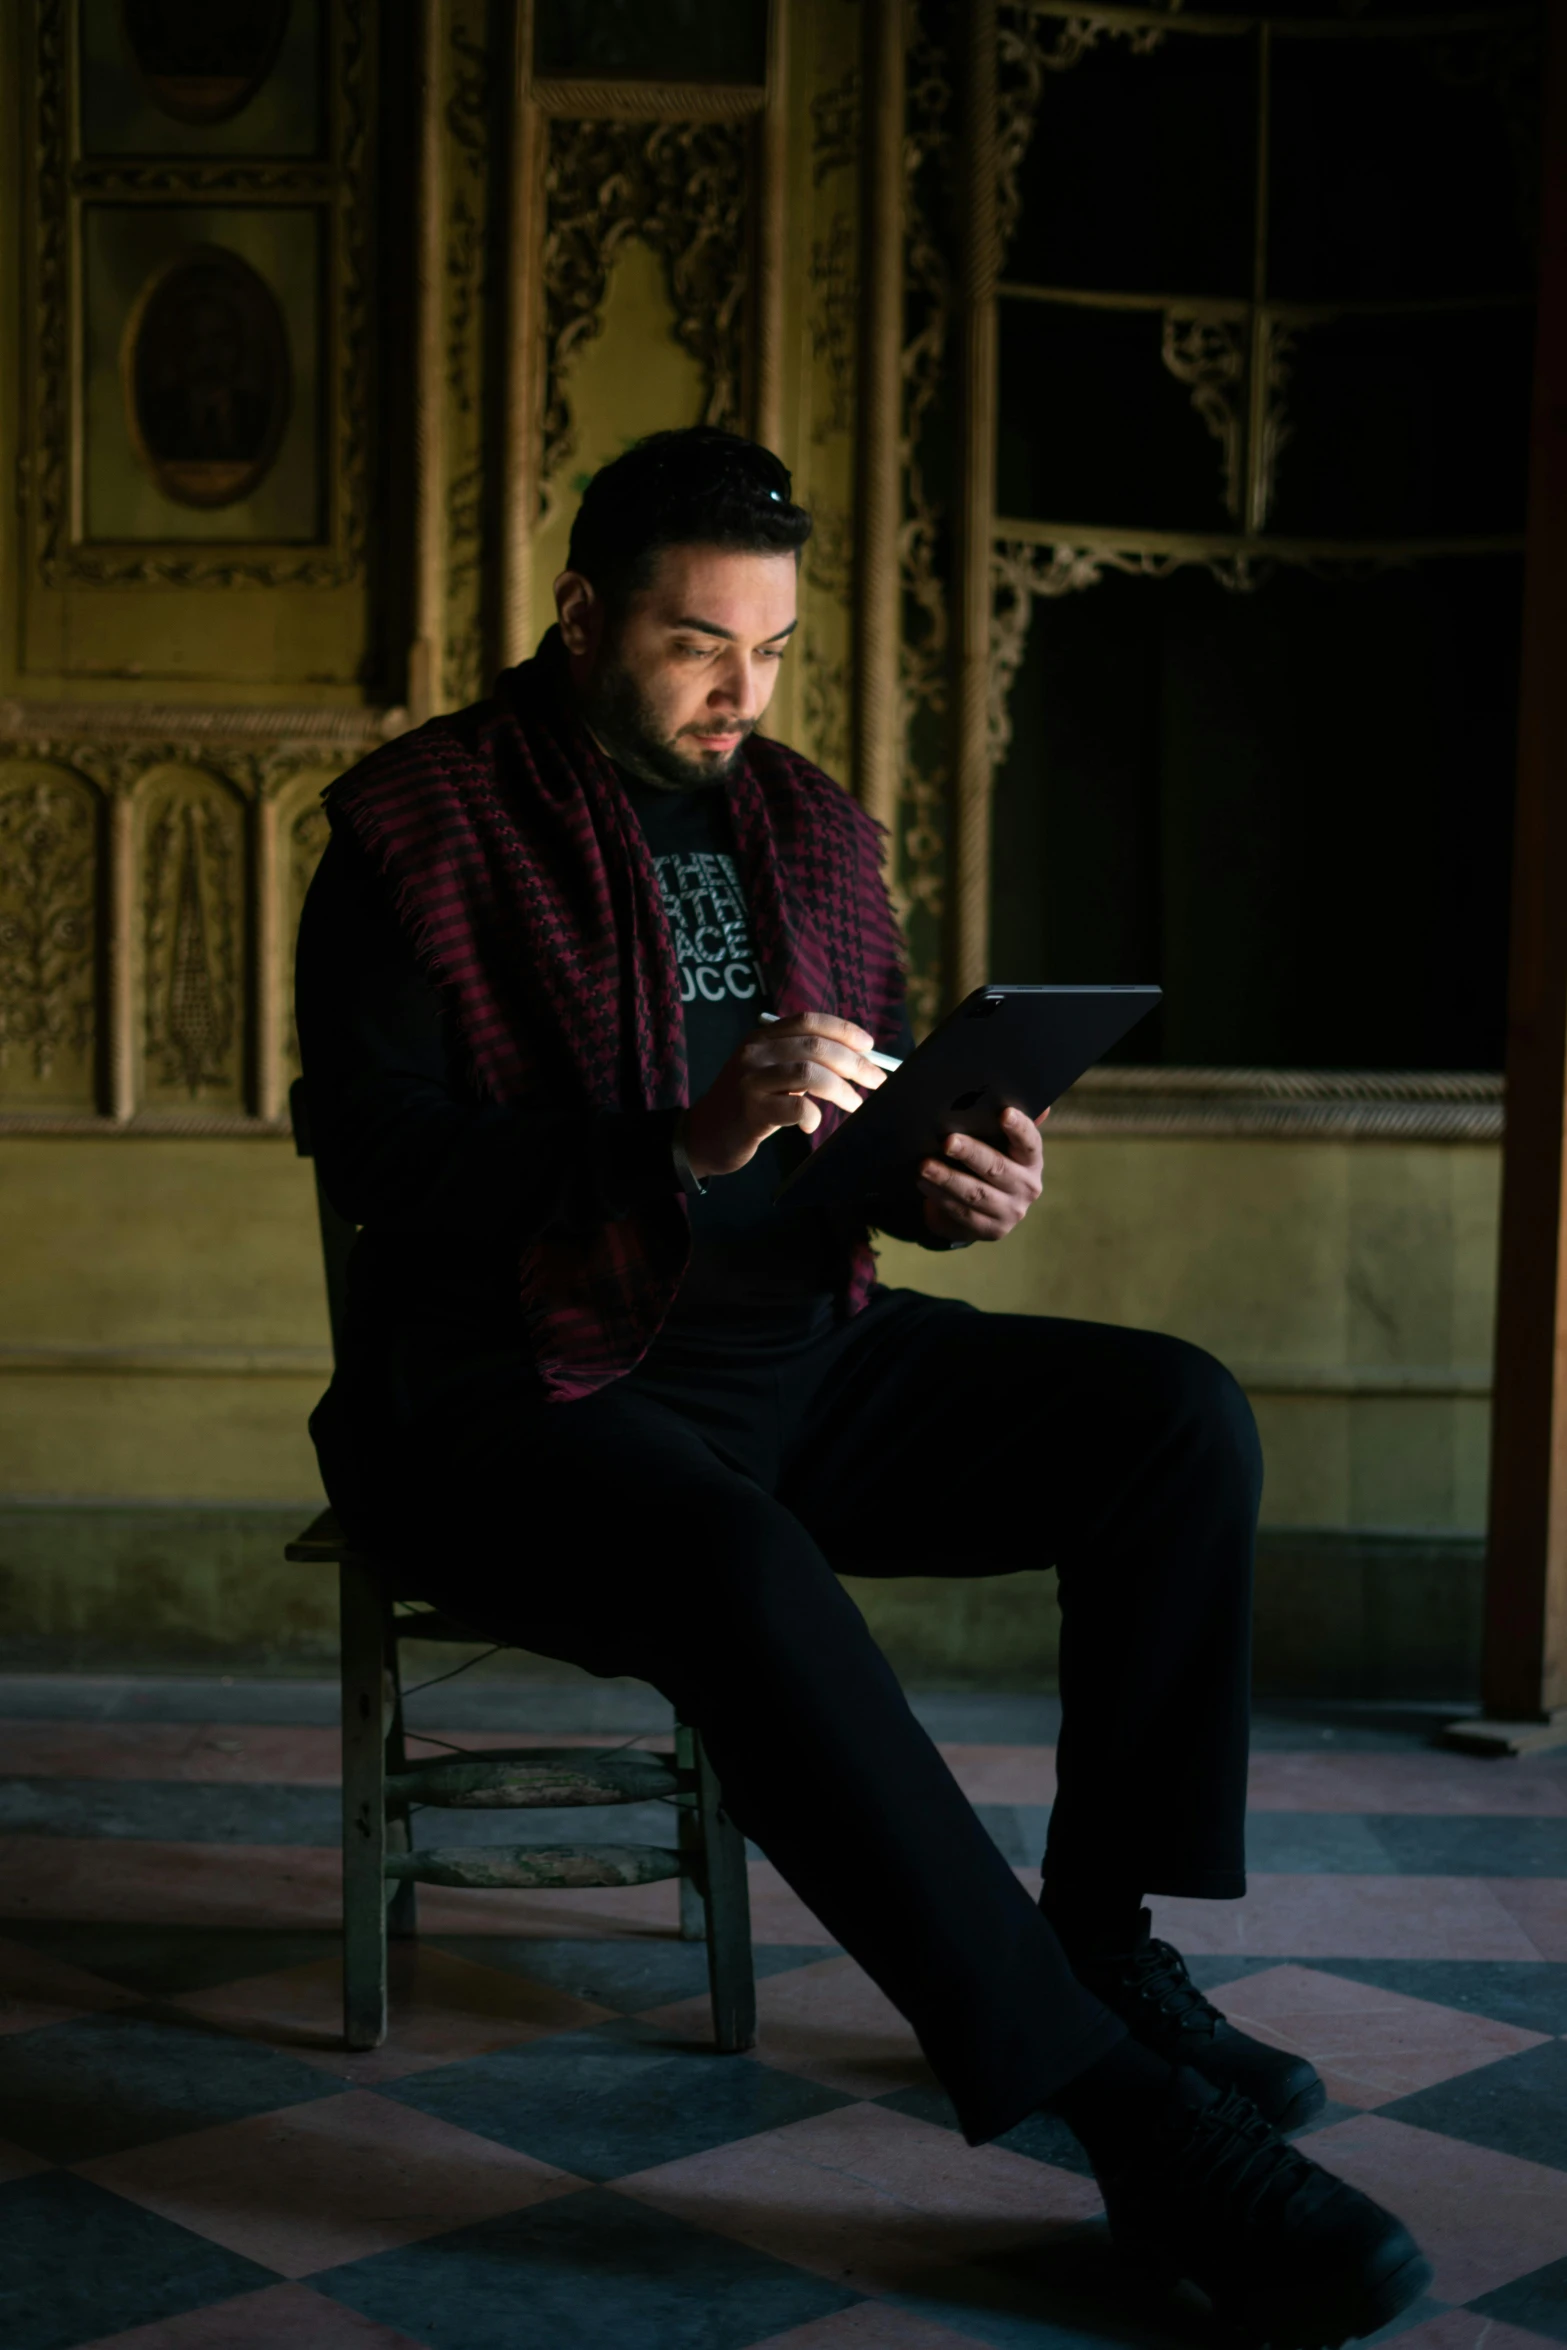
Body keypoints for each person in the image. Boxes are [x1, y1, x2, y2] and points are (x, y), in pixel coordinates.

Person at [296, 425, 1429, 2344]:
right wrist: (673, 1142)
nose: (740, 690)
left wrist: (952, 1180)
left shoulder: (814, 826)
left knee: (1172, 1417)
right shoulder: (414, 827)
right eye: (692, 643)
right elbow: (383, 1160)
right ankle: (1120, 2115)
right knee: (735, 1570)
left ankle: (1103, 1943)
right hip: (529, 1395)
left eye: (770, 648)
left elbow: (864, 1131)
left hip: (806, 1355)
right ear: (583, 615)